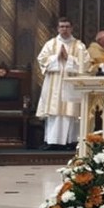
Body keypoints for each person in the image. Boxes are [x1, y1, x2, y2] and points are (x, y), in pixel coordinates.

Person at [36, 18, 90, 150]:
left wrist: (69, 58)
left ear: (71, 28)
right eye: (61, 26)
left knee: (70, 112)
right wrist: (56, 57)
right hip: (54, 83)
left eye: (67, 26)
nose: (64, 29)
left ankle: (71, 141)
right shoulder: (51, 44)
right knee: (55, 112)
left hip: (71, 84)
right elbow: (41, 60)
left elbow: (86, 64)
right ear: (58, 28)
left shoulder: (79, 45)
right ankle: (52, 141)